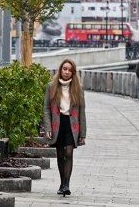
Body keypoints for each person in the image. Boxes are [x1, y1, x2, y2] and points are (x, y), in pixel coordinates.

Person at [43, 59, 86, 197]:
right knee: (60, 155)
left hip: (71, 124)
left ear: (73, 72)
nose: (67, 72)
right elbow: (46, 109)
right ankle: (62, 183)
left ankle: (67, 184)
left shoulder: (78, 87)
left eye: (70, 70)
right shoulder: (51, 86)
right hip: (57, 124)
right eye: (64, 69)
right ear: (60, 70)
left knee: (69, 153)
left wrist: (83, 133)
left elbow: (82, 111)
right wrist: (48, 128)